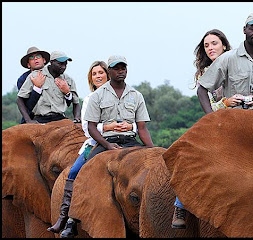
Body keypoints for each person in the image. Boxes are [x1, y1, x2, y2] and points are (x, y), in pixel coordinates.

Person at [171, 28, 253, 229]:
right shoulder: (205, 73)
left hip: (252, 115)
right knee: (191, 155)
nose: (210, 48)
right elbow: (207, 102)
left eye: (214, 43)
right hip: (219, 121)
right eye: (206, 45)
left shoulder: (239, 63)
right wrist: (224, 103)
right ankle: (180, 204)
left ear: (224, 45)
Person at [58, 55, 154, 238]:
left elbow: (142, 128)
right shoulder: (96, 96)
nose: (120, 71)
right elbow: (91, 127)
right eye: (116, 68)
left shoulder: (136, 95)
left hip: (130, 140)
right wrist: (108, 144)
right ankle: (71, 217)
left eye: (122, 68)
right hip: (103, 142)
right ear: (110, 71)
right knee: (84, 172)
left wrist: (153, 150)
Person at [17, 51, 81, 123]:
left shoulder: (68, 80)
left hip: (60, 118)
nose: (63, 67)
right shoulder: (34, 76)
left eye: (65, 64)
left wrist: (77, 117)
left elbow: (76, 102)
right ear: (52, 62)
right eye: (60, 64)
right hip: (41, 119)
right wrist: (28, 120)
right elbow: (20, 99)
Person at [17, 46, 50, 123]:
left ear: (44, 60)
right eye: (32, 58)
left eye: (38, 56)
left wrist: (67, 93)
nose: (35, 59)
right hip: (33, 117)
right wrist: (37, 88)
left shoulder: (53, 74)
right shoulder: (23, 79)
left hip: (55, 117)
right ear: (28, 65)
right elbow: (26, 104)